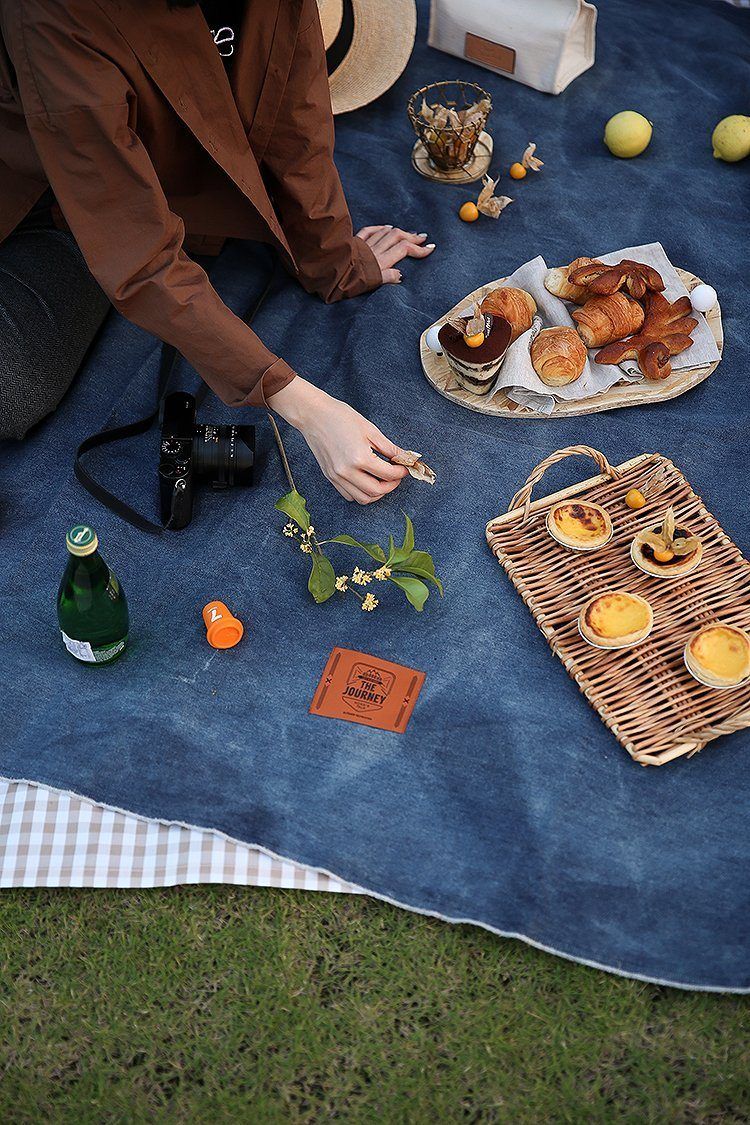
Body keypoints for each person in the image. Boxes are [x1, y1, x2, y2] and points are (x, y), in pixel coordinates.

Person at [0, 0, 435, 504]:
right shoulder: (52, 13)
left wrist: (335, 258)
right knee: (14, 393)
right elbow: (132, 243)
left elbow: (296, 121)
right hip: (59, 203)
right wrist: (302, 405)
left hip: (181, 186)